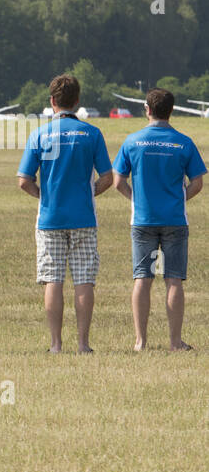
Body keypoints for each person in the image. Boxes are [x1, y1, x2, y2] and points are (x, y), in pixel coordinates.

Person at [17, 74, 113, 353]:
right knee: (84, 279)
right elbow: (107, 177)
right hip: (84, 217)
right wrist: (89, 192)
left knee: (53, 280)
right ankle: (83, 344)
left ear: (52, 101)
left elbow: (24, 180)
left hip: (50, 218)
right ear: (77, 102)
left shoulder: (39, 134)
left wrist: (43, 195)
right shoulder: (92, 134)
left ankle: (56, 344)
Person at [113, 88, 207, 351]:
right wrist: (180, 199)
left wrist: (135, 199)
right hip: (175, 219)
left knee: (142, 278)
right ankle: (175, 342)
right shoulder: (183, 142)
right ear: (171, 110)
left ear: (147, 110)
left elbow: (118, 182)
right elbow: (198, 182)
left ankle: (140, 341)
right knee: (174, 279)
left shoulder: (132, 141)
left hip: (143, 219)